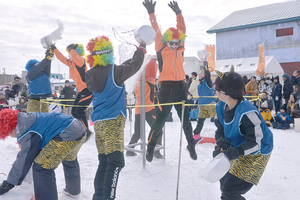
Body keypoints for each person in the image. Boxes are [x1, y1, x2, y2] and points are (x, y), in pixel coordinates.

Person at [85, 35, 145, 200]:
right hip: (113, 121)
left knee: (104, 162)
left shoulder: (90, 74)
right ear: (108, 54)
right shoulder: (115, 72)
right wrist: (141, 49)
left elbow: (124, 67)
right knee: (116, 161)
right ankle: (108, 197)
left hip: (98, 122)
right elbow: (135, 65)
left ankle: (98, 197)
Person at [143, 0, 197, 162]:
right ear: (166, 41)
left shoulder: (181, 47)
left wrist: (178, 13)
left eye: (176, 43)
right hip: (166, 88)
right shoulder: (160, 46)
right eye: (171, 43)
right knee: (160, 121)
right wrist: (151, 13)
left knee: (185, 121)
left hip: (181, 86)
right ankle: (151, 147)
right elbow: (156, 30)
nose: (174, 46)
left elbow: (182, 29)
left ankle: (191, 145)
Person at [213, 70, 273, 200]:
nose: (214, 91)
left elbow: (256, 142)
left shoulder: (247, 113)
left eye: (216, 89)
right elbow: (220, 128)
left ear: (224, 94)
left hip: (257, 151)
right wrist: (220, 141)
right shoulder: (220, 106)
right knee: (224, 181)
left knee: (230, 189)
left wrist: (234, 153)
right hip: (238, 146)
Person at [0, 109, 86, 199]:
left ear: (11, 127)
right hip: (78, 129)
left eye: (8, 133)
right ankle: (73, 191)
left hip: (67, 134)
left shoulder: (27, 132)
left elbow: (23, 160)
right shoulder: (28, 119)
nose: (10, 136)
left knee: (41, 167)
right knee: (69, 160)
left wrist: (8, 184)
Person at [52, 43, 93, 141]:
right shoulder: (71, 63)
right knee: (74, 111)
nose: (69, 55)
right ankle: (80, 130)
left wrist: (71, 49)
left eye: (71, 52)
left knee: (79, 111)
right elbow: (61, 58)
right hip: (81, 91)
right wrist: (54, 49)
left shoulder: (80, 61)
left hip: (87, 90)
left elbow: (75, 56)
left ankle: (87, 132)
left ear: (76, 52)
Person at [126, 57, 163, 158]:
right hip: (148, 108)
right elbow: (153, 68)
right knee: (158, 130)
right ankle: (156, 150)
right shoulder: (149, 81)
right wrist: (153, 59)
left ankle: (130, 150)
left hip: (138, 108)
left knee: (138, 132)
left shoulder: (137, 82)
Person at [25, 48, 54, 113]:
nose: (39, 66)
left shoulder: (44, 74)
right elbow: (39, 67)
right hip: (34, 99)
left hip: (44, 99)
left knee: (45, 117)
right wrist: (47, 58)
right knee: (33, 117)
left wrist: (48, 57)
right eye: (36, 65)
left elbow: (46, 66)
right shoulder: (30, 74)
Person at [193, 65, 215, 144]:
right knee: (200, 122)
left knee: (217, 121)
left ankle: (223, 136)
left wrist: (206, 69)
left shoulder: (208, 82)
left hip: (210, 105)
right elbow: (200, 96)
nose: (200, 75)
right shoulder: (199, 85)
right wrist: (196, 104)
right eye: (199, 74)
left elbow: (208, 77)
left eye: (202, 73)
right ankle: (196, 137)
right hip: (202, 106)